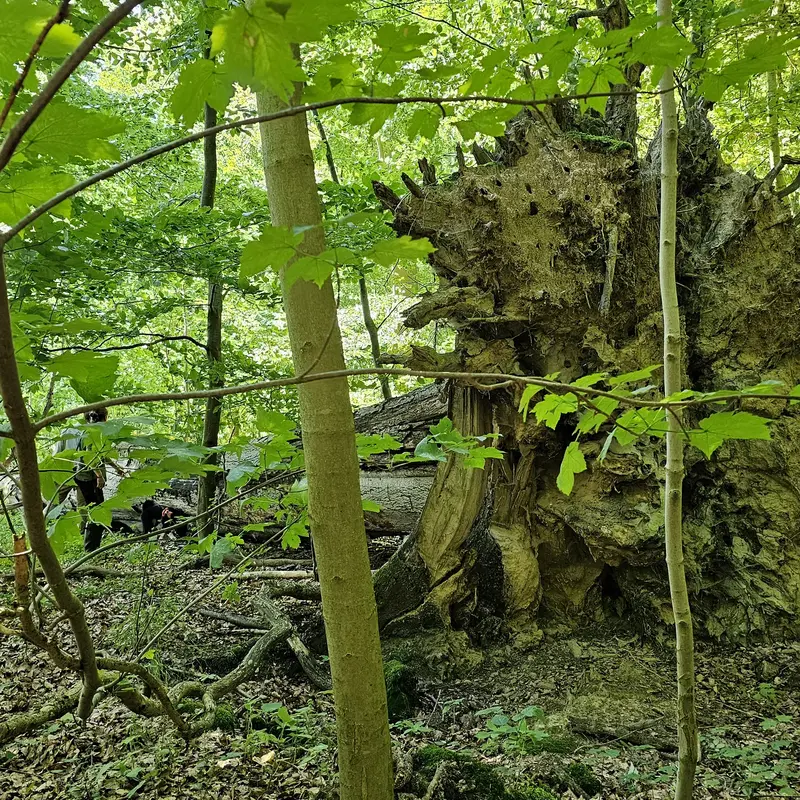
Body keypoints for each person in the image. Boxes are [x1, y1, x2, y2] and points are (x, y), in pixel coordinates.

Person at [53, 407, 110, 551]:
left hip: (64, 471)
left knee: (54, 501)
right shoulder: (95, 433)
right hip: (85, 476)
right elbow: (92, 455)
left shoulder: (68, 430)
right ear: (104, 418)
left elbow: (57, 452)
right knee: (88, 507)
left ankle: (44, 526)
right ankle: (86, 537)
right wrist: (100, 476)